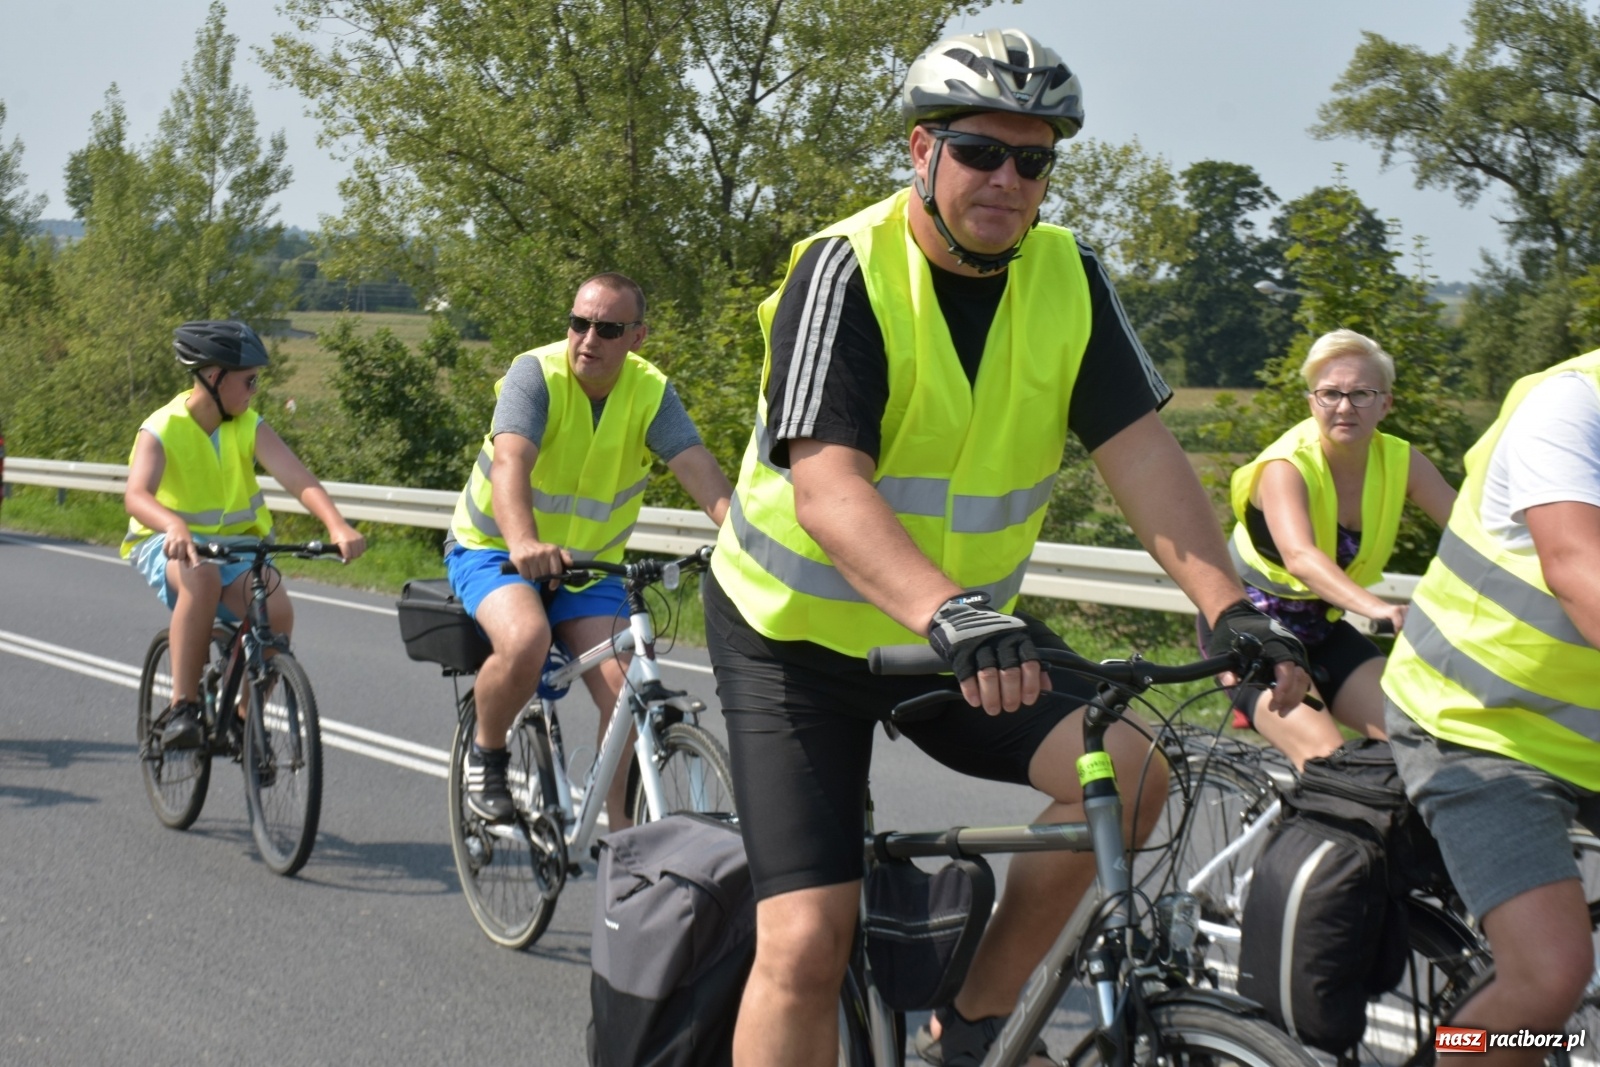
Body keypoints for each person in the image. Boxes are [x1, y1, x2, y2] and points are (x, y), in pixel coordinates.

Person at [701, 29, 1310, 1067]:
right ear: (920, 151)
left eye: (1034, 160)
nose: (1008, 179)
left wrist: (1227, 604)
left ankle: (971, 1024)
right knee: (805, 940)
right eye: (981, 150)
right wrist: (950, 608)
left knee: (1133, 768)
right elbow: (827, 485)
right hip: (794, 640)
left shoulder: (1067, 275)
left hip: (958, 635)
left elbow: (1144, 454)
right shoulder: (843, 269)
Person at [446, 272, 732, 829]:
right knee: (526, 640)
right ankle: (487, 754)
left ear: (637, 338)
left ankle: (622, 838)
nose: (588, 339)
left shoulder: (650, 391)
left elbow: (701, 473)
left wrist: (750, 541)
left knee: (630, 688)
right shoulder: (537, 375)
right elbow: (511, 465)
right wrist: (524, 542)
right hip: (493, 549)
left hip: (588, 567)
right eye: (579, 323)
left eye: (607, 328)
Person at [1382, 351, 1600, 1066]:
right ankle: (1471, 1052)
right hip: (1478, 724)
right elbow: (1577, 568)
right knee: (1549, 974)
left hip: (1587, 734)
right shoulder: (1571, 406)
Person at [1214, 328, 1456, 768]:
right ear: (1311, 402)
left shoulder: (1402, 462)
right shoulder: (1287, 466)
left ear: (1386, 404)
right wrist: (1379, 609)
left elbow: (1469, 532)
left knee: (1424, 748)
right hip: (1254, 633)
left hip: (1321, 630)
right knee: (1332, 766)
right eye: (1329, 394)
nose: (1344, 407)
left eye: (1362, 393)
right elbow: (1300, 558)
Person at [124, 320, 366, 749]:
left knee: (278, 613)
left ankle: (243, 717)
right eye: (249, 380)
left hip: (237, 549)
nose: (255, 390)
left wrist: (336, 524)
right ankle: (183, 706)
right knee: (203, 580)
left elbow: (299, 479)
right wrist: (174, 524)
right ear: (214, 377)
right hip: (172, 546)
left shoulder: (248, 424)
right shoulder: (161, 427)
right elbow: (137, 496)